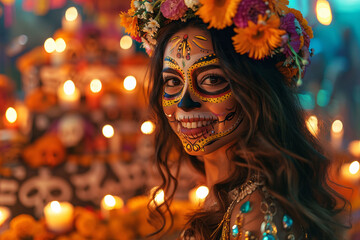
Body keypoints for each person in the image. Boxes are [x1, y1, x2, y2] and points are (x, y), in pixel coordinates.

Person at [121, 0, 349, 239]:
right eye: (173, 82)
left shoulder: (257, 217)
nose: (184, 103)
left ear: (256, 91)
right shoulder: (232, 193)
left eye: (211, 80)